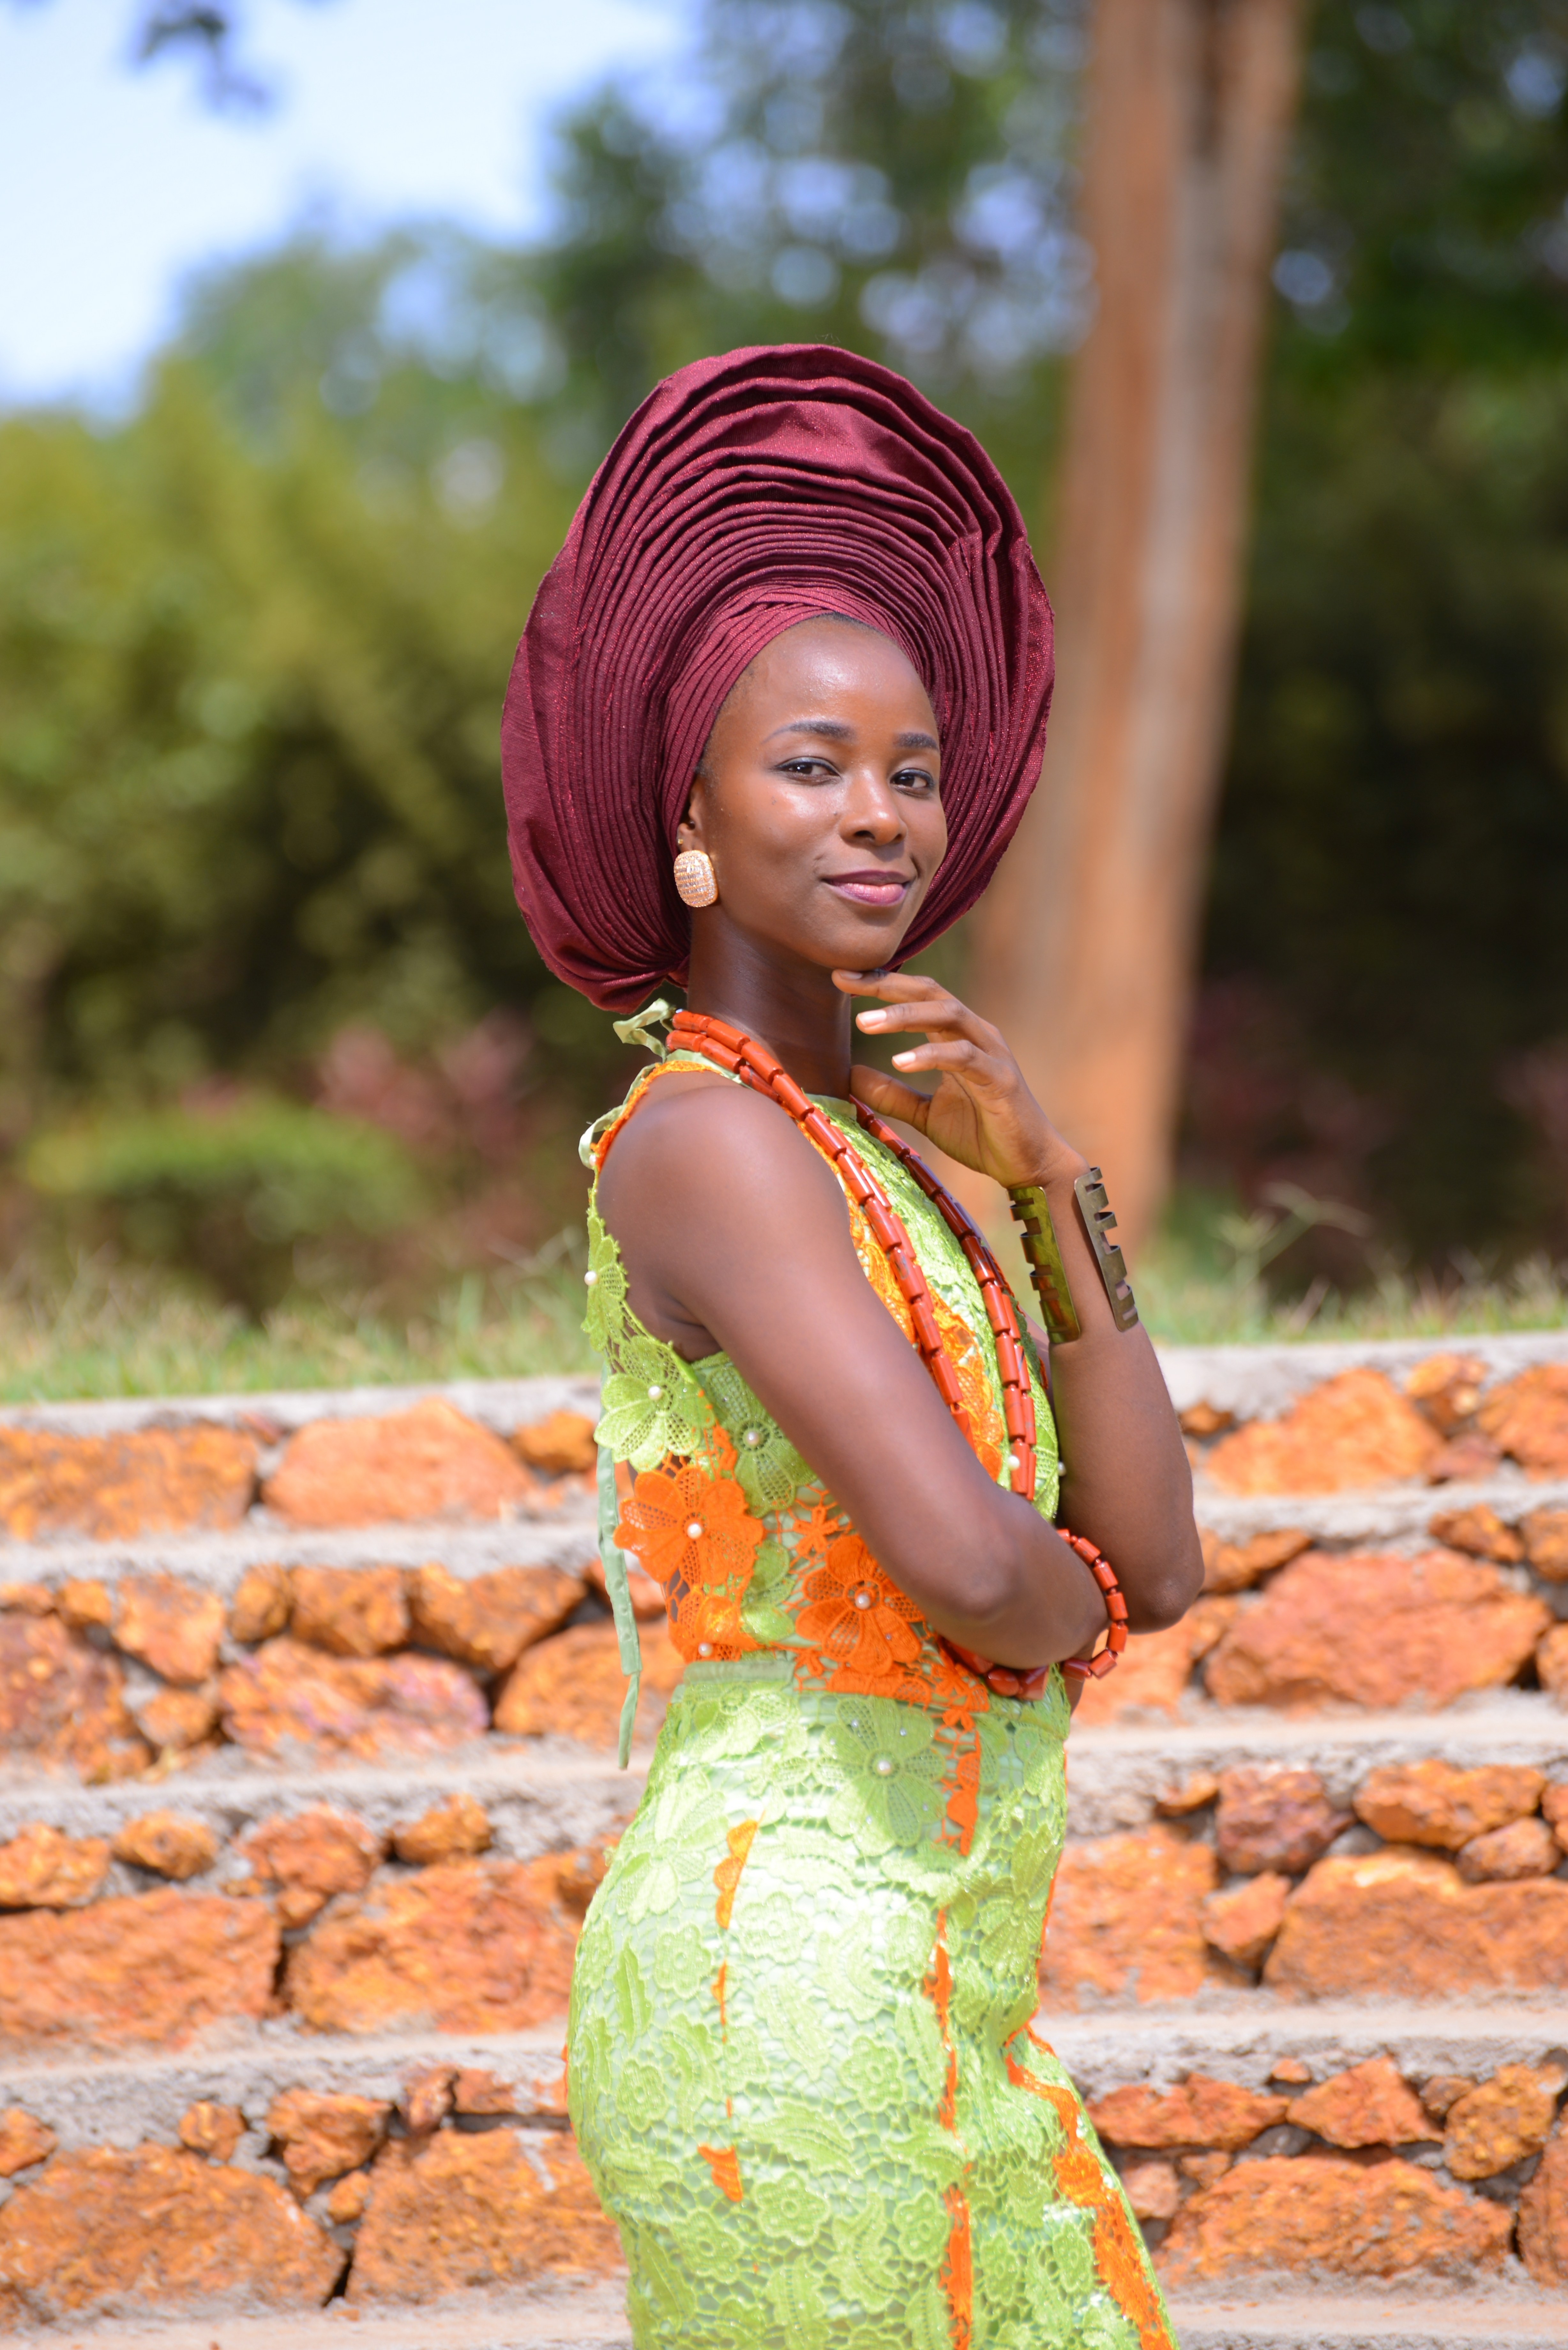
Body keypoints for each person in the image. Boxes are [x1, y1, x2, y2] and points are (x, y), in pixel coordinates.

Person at [501, 345, 1203, 2350]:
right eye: (813, 764)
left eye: (912, 768)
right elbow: (984, 1574)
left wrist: (1059, 1184)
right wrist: (1024, 1585)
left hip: (954, 1998)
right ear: (693, 815)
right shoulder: (711, 1143)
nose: (883, 813)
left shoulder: (890, 1157)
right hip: (787, 2006)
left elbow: (1151, 1562)